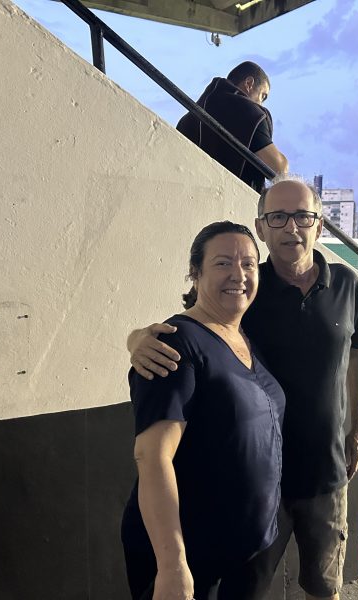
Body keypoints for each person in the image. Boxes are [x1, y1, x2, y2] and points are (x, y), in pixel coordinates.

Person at [128, 177, 358, 600]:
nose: (290, 227)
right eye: (277, 217)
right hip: (261, 486)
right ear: (262, 227)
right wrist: (136, 339)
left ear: (318, 225)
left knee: (324, 586)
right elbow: (186, 321)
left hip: (326, 472)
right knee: (251, 587)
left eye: (302, 216)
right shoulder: (246, 286)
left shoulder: (347, 285)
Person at [121, 222, 286, 600]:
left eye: (248, 264)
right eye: (223, 263)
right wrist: (172, 564)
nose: (238, 274)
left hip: (250, 547)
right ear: (195, 274)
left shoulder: (244, 333)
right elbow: (152, 456)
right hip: (195, 556)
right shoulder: (175, 345)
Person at [177, 61, 288, 191]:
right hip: (233, 202)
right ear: (249, 83)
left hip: (187, 193)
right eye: (263, 96)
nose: (261, 104)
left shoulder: (188, 118)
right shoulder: (251, 114)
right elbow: (279, 170)